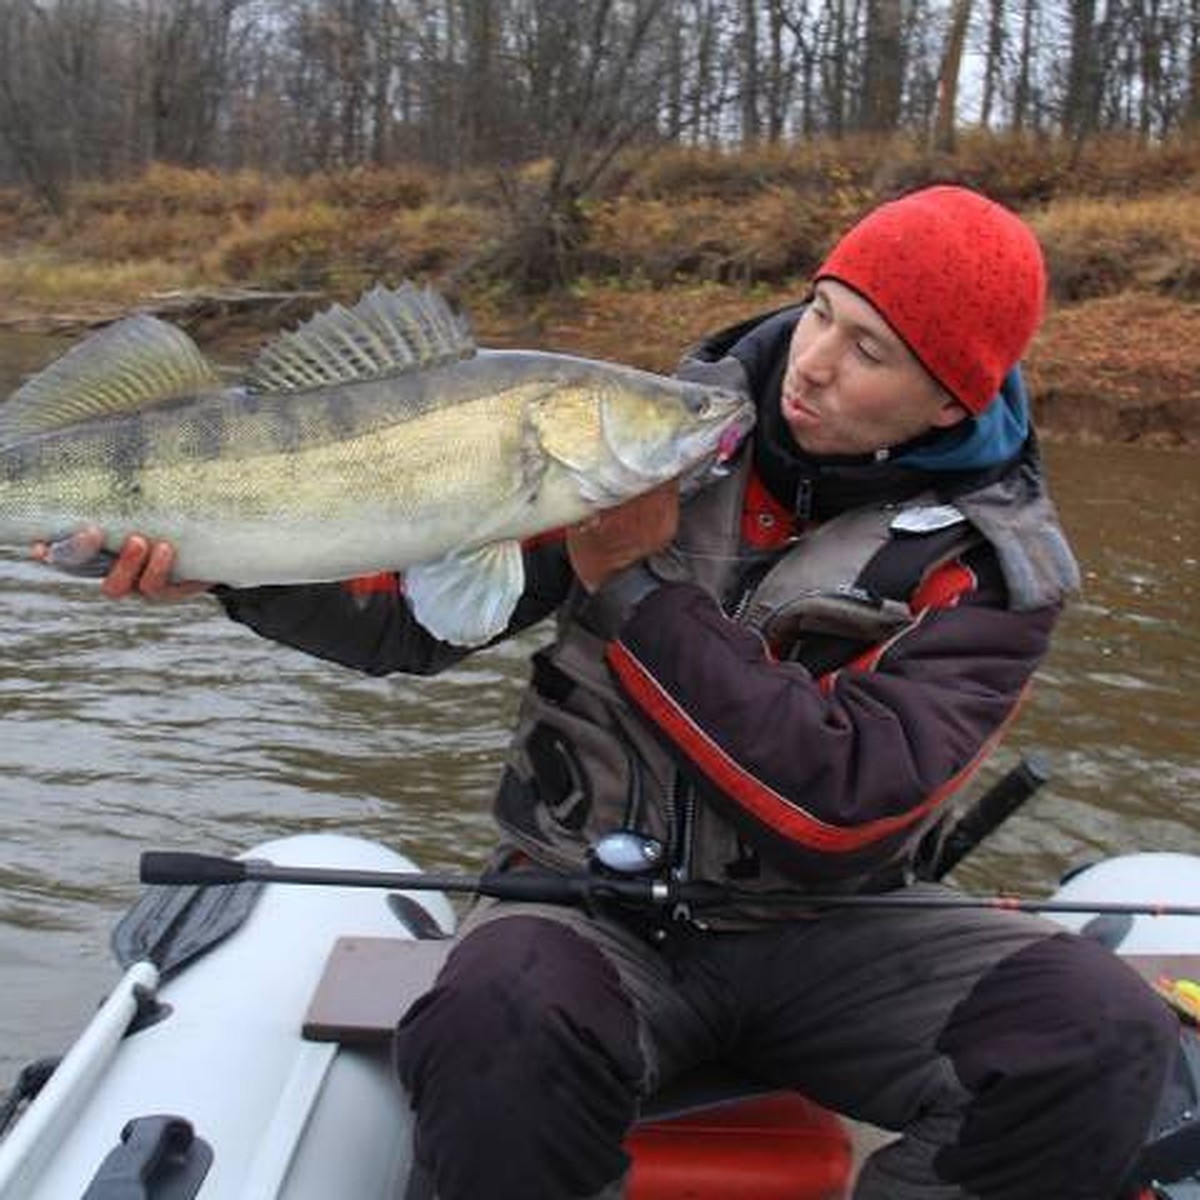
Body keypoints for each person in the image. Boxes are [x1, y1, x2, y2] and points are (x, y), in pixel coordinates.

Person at [48, 185, 1178, 1199]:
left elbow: (842, 804)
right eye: (824, 309)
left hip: (833, 928)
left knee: (1102, 1038)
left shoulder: (991, 568)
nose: (817, 360)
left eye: (871, 349)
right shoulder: (622, 429)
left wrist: (636, 589)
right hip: (583, 904)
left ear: (948, 402)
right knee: (499, 1010)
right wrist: (233, 564)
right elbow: (414, 624)